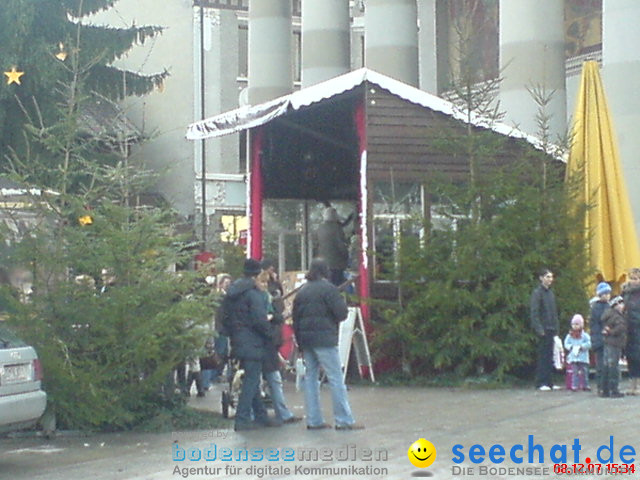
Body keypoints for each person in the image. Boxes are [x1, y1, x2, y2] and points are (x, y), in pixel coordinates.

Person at [292, 258, 364, 430]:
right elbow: (341, 313)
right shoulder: (329, 289)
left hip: (307, 341)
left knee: (310, 379)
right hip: (325, 340)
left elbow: (296, 319)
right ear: (325, 272)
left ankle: (314, 420)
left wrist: (300, 344)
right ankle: (343, 420)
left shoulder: (302, 292)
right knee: (335, 378)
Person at [223, 259, 278, 431]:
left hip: (237, 340)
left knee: (251, 379)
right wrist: (270, 332)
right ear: (256, 274)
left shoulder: (233, 293)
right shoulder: (253, 294)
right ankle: (242, 419)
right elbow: (259, 320)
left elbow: (224, 317)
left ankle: (261, 416)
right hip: (253, 341)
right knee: (252, 381)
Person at [256, 271, 301, 425]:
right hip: (262, 343)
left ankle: (277, 412)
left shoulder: (266, 298)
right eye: (262, 282)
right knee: (268, 379)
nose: (264, 286)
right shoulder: (258, 299)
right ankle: (278, 413)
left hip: (264, 343)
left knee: (269, 379)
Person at [530, 268, 560, 391]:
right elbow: (534, 312)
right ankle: (541, 382)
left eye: (551, 277)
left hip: (552, 329)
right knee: (543, 356)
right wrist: (539, 329)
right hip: (543, 330)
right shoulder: (537, 293)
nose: (550, 279)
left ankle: (549, 382)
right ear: (541, 278)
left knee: (550, 356)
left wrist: (556, 329)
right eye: (547, 277)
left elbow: (554, 312)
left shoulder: (551, 293)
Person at [313, 207, 349, 286]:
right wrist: (346, 256)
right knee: (337, 286)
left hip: (323, 264)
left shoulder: (319, 229)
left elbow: (316, 245)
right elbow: (341, 245)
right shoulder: (337, 228)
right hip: (336, 264)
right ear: (335, 216)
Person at [600, 296, 627, 398]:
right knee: (613, 367)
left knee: (606, 365)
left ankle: (605, 389)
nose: (623, 306)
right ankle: (614, 390)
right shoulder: (617, 317)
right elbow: (620, 328)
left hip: (608, 343)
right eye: (620, 303)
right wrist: (611, 332)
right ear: (615, 305)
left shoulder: (607, 315)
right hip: (615, 343)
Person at [590, 282, 612, 395]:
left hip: (609, 340)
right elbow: (596, 325)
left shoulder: (609, 306)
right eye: (605, 293)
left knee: (608, 365)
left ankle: (607, 387)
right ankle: (601, 387)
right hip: (600, 339)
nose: (607, 295)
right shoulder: (596, 308)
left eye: (609, 293)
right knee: (601, 365)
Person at [622, 268, 640, 395]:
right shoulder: (625, 293)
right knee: (630, 357)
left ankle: (638, 384)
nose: (633, 281)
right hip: (628, 329)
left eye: (636, 278)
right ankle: (632, 384)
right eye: (632, 278)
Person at [564, 314, 591, 391]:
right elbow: (566, 343)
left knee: (584, 372)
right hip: (573, 357)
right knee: (574, 372)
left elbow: (589, 343)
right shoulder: (570, 335)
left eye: (577, 324)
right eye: (573, 324)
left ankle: (585, 385)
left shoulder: (585, 335)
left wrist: (582, 346)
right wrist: (571, 347)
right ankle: (574, 385)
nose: (575, 326)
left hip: (583, 357)